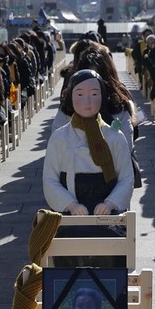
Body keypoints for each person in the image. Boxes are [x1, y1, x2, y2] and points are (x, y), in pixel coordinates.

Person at [43, 69, 134, 216]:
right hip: (69, 216)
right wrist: (70, 205)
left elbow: (126, 177)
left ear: (102, 97)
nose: (87, 101)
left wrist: (110, 203)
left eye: (94, 94)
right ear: (70, 98)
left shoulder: (115, 137)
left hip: (107, 217)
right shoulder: (59, 138)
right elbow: (50, 179)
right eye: (79, 94)